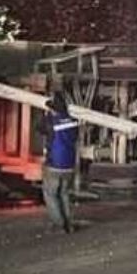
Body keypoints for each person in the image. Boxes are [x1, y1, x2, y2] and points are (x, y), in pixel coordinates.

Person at [37, 91, 79, 233]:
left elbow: (39, 128)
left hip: (55, 164)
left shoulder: (51, 121)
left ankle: (58, 224)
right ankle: (69, 224)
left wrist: (46, 114)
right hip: (70, 165)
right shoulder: (73, 121)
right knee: (64, 193)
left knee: (50, 193)